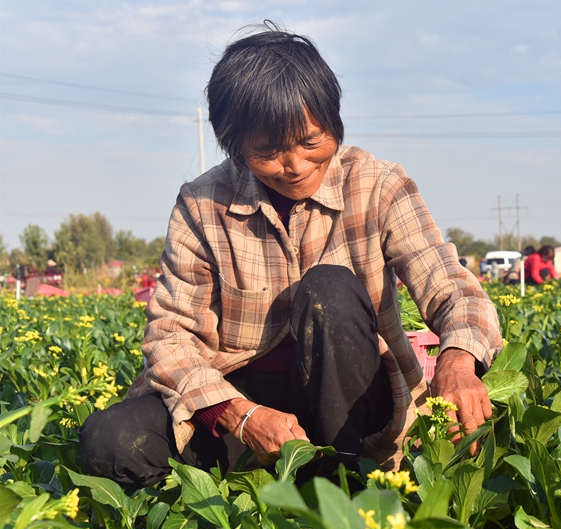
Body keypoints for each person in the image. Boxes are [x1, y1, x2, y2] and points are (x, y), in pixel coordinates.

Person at [78, 27, 502, 487]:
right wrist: (240, 414)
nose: (295, 166)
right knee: (111, 442)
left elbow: (452, 288)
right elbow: (169, 336)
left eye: (311, 141)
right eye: (268, 151)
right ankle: (220, 513)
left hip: (354, 406)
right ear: (235, 145)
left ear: (333, 124)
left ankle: (341, 482)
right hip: (239, 401)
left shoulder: (379, 186)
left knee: (330, 290)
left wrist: (457, 363)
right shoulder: (202, 205)